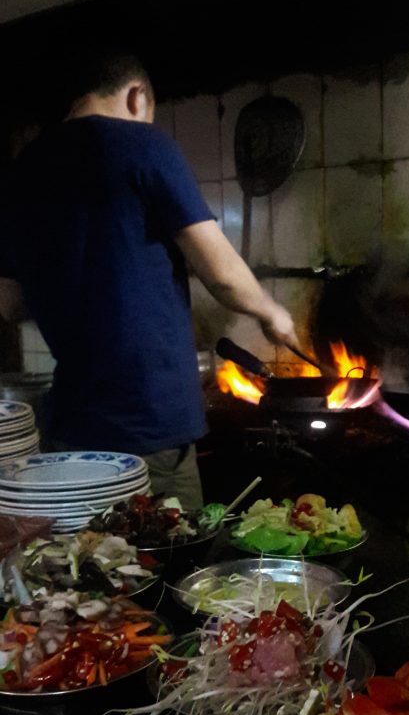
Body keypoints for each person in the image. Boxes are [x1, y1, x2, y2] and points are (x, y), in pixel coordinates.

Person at [0, 51, 298, 507]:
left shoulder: (23, 169)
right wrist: (272, 312)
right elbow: (222, 275)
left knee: (90, 549)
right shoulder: (143, 145)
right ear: (137, 97)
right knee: (172, 545)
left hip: (70, 425)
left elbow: (10, 304)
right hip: (148, 419)